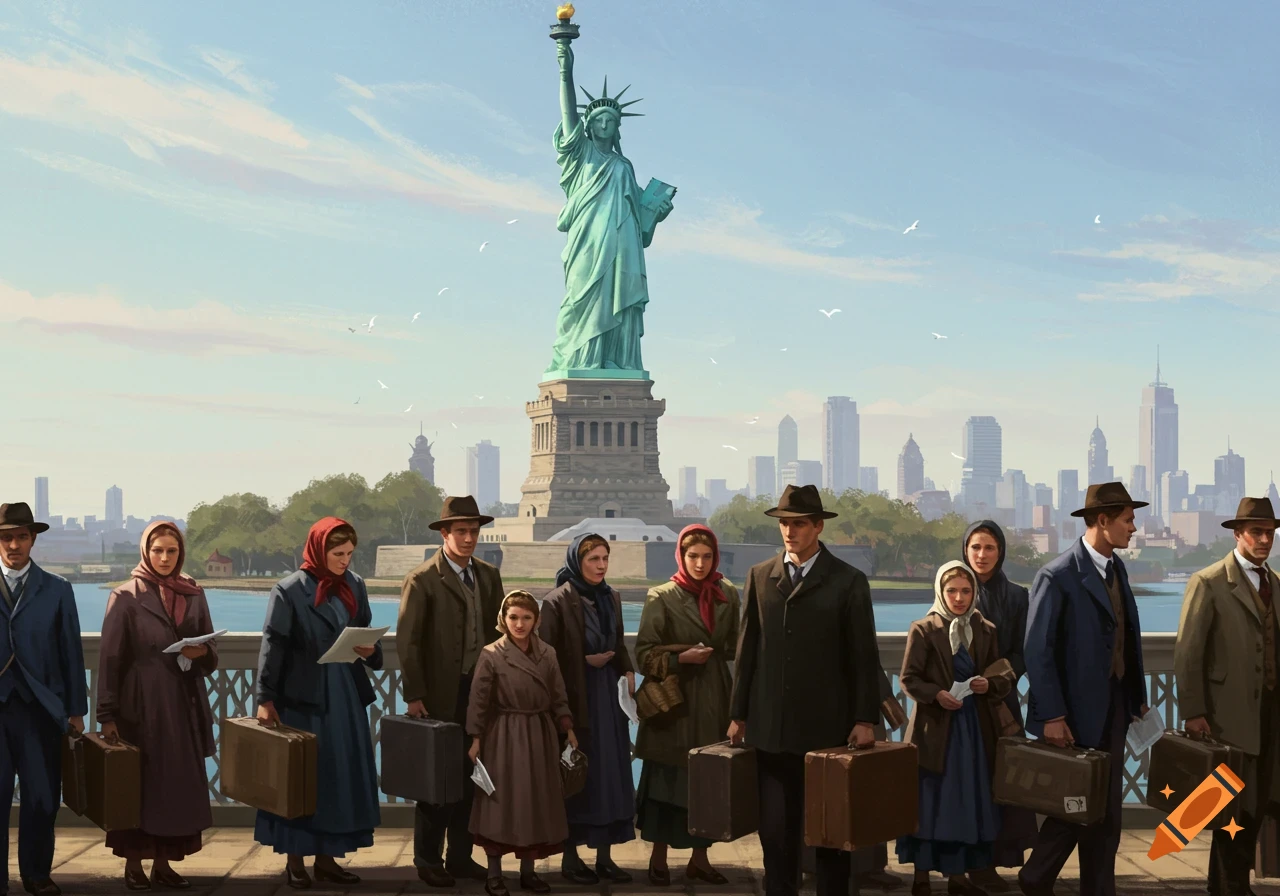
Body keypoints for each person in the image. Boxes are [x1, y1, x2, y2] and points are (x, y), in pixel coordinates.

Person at [728, 484, 883, 896]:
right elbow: (747, 653)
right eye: (784, 523)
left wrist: (865, 719)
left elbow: (864, 658)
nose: (789, 531)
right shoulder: (760, 576)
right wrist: (738, 714)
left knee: (831, 838)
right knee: (776, 836)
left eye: (798, 523)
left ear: (818, 527)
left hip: (829, 733)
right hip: (771, 731)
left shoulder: (848, 581)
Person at [1021, 483, 1150, 896]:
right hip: (1073, 716)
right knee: (1073, 807)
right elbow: (1036, 652)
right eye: (1128, 520)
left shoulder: (1117, 569)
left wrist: (1136, 700)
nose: (1134, 528)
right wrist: (1052, 717)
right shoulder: (1056, 576)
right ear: (1102, 521)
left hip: (1113, 708)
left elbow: (1126, 635)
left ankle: (1097, 889)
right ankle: (1036, 877)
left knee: (1106, 813)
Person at [254, 517, 382, 889]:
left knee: (338, 778)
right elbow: (273, 645)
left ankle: (327, 859)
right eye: (338, 554)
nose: (345, 561)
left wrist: (371, 652)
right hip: (303, 697)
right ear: (318, 550)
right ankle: (296, 859)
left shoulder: (356, 585)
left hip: (345, 694)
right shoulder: (288, 590)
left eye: (350, 554)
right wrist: (265, 699)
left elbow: (368, 637)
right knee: (302, 777)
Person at [97, 521, 219, 890]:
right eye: (157, 551)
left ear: (180, 553)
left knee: (175, 786)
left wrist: (201, 652)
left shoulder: (194, 593)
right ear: (145, 552)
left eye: (172, 551)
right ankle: (134, 865)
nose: (165, 558)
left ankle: (164, 864)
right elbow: (109, 660)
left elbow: (213, 655)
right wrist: (106, 714)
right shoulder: (125, 597)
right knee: (138, 784)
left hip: (182, 704)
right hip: (141, 706)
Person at [547, 30, 673, 372]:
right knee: (581, 298)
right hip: (587, 241)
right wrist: (565, 67)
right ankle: (581, 359)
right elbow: (567, 112)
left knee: (619, 301)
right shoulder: (580, 154)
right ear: (589, 124)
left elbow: (638, 222)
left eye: (611, 121)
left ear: (617, 128)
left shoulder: (623, 166)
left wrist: (655, 215)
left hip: (623, 245)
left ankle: (616, 360)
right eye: (599, 119)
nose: (604, 124)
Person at [1174, 496, 1280, 896]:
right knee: (1229, 808)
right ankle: (1230, 886)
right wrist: (1193, 711)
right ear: (1238, 534)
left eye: (1269, 532)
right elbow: (1188, 652)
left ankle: (1230, 885)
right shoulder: (1209, 582)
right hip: (1226, 717)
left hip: (1269, 715)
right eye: (1256, 532)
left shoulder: (1277, 583)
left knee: (1260, 802)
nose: (1264, 539)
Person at [397, 495, 504, 887]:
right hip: (439, 695)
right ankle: (427, 860)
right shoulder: (423, 579)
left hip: (479, 694)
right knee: (435, 782)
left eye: (474, 531)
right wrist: (414, 695)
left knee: (471, 778)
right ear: (445, 534)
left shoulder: (490, 576)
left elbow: (498, 636)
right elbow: (407, 643)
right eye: (461, 531)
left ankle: (460, 857)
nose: (469, 538)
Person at [897, 561, 1013, 896]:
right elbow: (909, 679)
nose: (959, 598)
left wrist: (987, 685)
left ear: (974, 592)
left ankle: (959, 877)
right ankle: (921, 877)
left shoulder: (985, 628)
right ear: (940, 591)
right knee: (931, 802)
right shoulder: (923, 628)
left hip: (974, 728)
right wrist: (937, 695)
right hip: (935, 731)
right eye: (952, 591)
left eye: (966, 590)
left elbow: (1001, 674)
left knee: (968, 800)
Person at [634, 524, 740, 887]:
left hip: (713, 697)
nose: (699, 563)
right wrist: (682, 661)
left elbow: (736, 647)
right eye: (693, 556)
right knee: (667, 779)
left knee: (707, 780)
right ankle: (658, 857)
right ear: (681, 555)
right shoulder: (661, 596)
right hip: (673, 704)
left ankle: (700, 859)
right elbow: (644, 655)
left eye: (707, 557)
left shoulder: (727, 594)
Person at [466, 591, 580, 896]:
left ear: (536, 620)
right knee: (501, 803)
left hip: (539, 734)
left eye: (526, 618)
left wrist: (566, 724)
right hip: (503, 734)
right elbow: (479, 700)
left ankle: (528, 872)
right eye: (513, 617)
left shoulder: (548, 653)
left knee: (535, 802)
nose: (519, 624)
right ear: (503, 619)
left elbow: (558, 694)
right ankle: (494, 874)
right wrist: (476, 738)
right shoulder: (492, 654)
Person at [539, 533, 637, 884]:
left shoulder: (611, 596)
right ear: (576, 562)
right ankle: (570, 858)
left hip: (608, 701)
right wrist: (584, 661)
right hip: (577, 699)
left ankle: (605, 857)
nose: (600, 566)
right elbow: (546, 659)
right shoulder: (556, 601)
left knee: (610, 776)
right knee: (578, 777)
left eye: (604, 559)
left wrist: (626, 669)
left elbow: (619, 640)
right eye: (593, 559)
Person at [0, 502, 87, 896]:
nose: (13, 544)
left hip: (40, 709)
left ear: (33, 540)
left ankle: (36, 874)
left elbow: (71, 653)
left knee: (41, 797)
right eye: (5, 537)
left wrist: (75, 710)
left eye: (20, 537)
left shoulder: (57, 589)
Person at [962, 521, 1038, 891]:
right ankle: (963, 862)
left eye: (989, 548)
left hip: (1001, 704)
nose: (981, 555)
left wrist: (992, 681)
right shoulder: (955, 590)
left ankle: (991, 862)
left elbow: (1023, 653)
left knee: (1002, 782)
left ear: (1000, 551)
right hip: (958, 703)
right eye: (975, 547)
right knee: (965, 783)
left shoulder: (1018, 596)